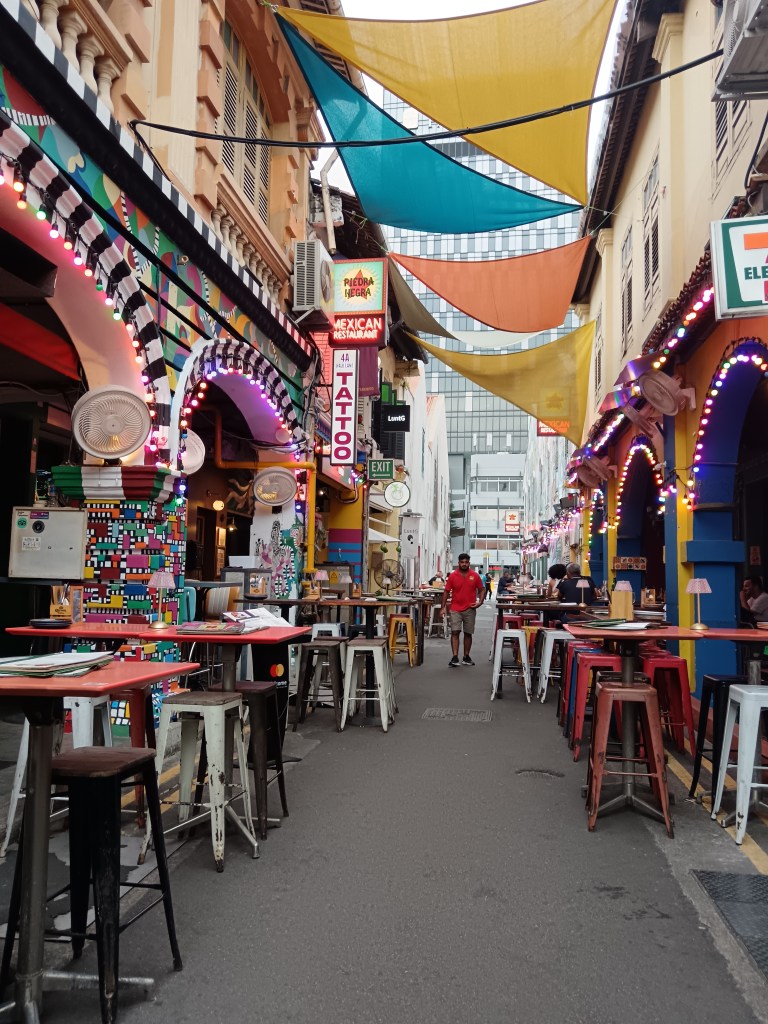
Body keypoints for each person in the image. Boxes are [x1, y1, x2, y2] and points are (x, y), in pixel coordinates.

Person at [441, 553, 485, 667]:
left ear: (469, 563)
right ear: (458, 563)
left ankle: (466, 656)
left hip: (470, 608)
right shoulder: (453, 576)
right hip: (455, 608)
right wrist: (442, 607)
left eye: (466, 562)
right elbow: (446, 591)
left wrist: (480, 602)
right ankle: (455, 657)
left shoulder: (475, 576)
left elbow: (481, 589)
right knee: (455, 632)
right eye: (462, 562)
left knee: (468, 633)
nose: (464, 564)